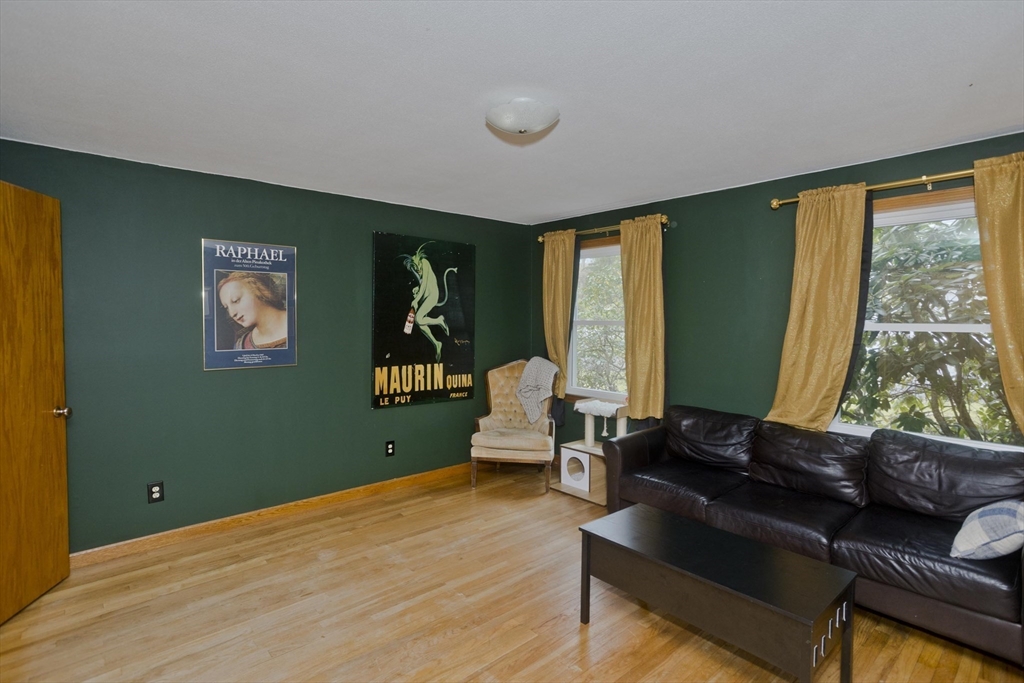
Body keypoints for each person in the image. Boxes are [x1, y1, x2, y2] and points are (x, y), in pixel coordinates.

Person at [216, 271, 288, 350]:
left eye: (236, 300)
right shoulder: (242, 345)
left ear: (258, 290)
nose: (232, 313)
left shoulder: (298, 322)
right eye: (227, 307)